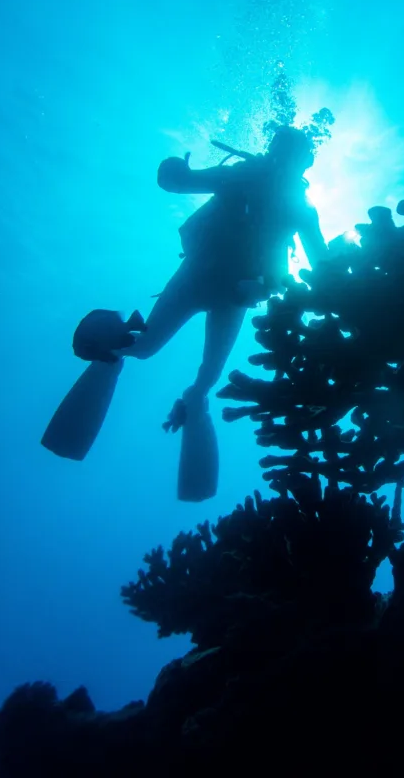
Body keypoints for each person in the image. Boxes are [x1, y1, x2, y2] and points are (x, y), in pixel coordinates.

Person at [41, 125, 328, 501]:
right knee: (148, 350)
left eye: (291, 155)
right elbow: (178, 182)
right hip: (202, 280)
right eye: (285, 153)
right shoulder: (248, 178)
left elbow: (321, 269)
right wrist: (174, 170)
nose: (284, 162)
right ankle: (118, 354)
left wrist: (266, 287)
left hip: (226, 294)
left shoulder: (292, 205)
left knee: (197, 373)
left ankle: (188, 401)